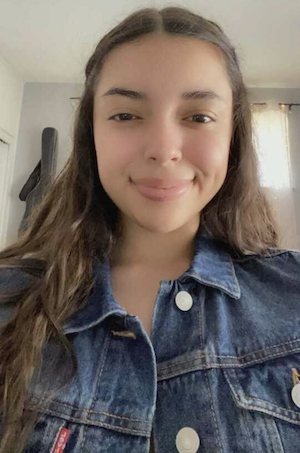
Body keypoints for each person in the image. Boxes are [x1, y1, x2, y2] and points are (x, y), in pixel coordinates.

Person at [1, 5, 300, 453]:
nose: (163, 150)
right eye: (126, 115)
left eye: (198, 116)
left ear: (233, 136)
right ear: (91, 134)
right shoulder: (10, 300)